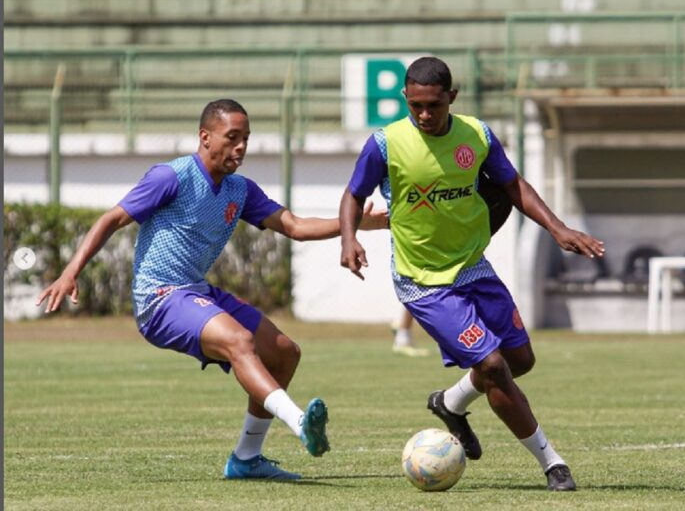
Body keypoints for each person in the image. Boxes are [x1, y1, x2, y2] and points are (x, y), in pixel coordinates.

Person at [37, 99, 388, 481]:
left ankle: (246, 459)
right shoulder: (171, 177)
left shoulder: (240, 190)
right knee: (239, 341)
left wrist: (355, 225)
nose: (240, 147)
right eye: (232, 137)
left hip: (197, 292)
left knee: (285, 352)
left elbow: (296, 226)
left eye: (246, 139)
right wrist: (70, 272)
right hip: (160, 298)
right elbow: (112, 218)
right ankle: (300, 421)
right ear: (205, 137)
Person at [339, 57, 605, 491]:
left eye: (434, 106)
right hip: (422, 281)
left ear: (452, 98)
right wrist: (349, 239)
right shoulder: (386, 144)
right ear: (405, 98)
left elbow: (512, 185)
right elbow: (353, 195)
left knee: (521, 361)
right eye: (416, 106)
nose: (424, 115)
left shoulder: (476, 135)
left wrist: (558, 228)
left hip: (473, 266)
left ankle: (450, 402)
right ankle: (552, 463)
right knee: (494, 365)